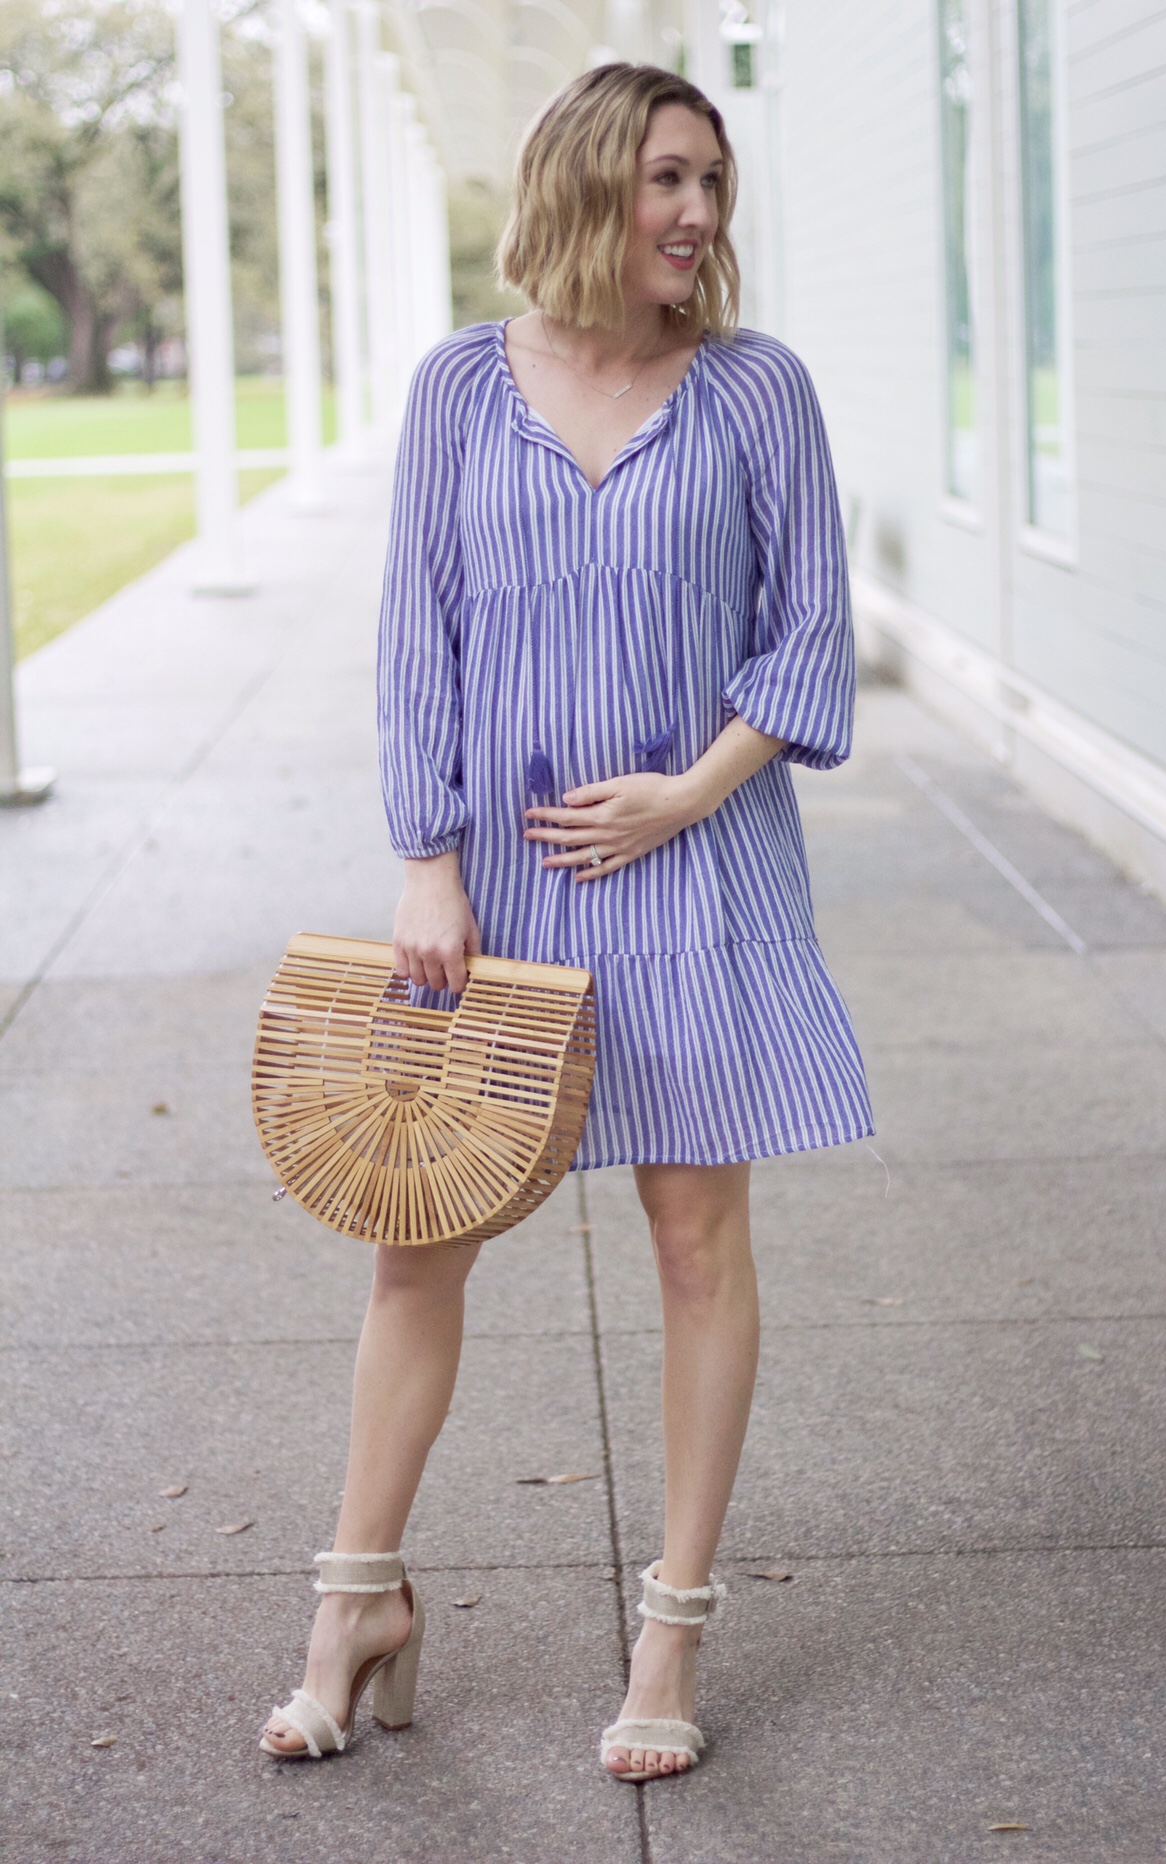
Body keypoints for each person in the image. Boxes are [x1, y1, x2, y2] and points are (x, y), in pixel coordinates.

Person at [260, 60, 872, 1782]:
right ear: (587, 185)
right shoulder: (461, 386)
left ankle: (669, 1635)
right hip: (498, 892)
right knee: (413, 1237)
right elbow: (417, 638)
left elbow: (806, 644)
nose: (695, 215)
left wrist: (688, 792)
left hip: (697, 868)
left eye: (710, 184)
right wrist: (425, 858)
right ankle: (353, 1605)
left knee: (695, 1247)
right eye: (665, 178)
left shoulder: (757, 393)